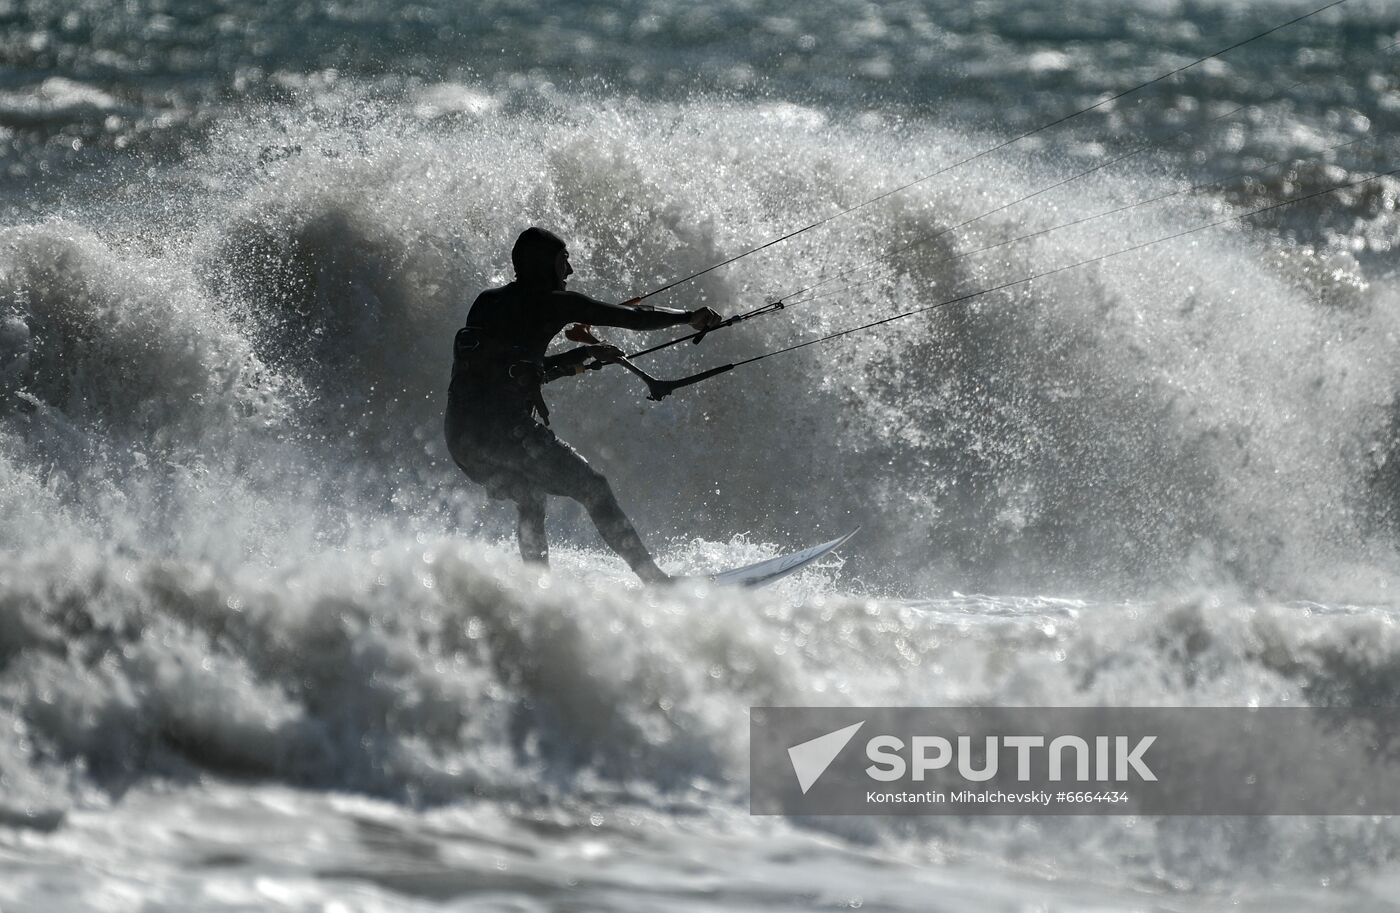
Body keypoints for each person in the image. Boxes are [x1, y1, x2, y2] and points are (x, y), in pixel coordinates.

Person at [445, 227, 723, 582]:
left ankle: (538, 591)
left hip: (461, 438)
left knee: (529, 496)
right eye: (563, 262)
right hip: (505, 431)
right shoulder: (554, 303)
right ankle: (654, 580)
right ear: (543, 266)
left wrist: (583, 355)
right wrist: (688, 317)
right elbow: (633, 319)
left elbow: (513, 372)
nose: (569, 272)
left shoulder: (486, 302)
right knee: (594, 488)